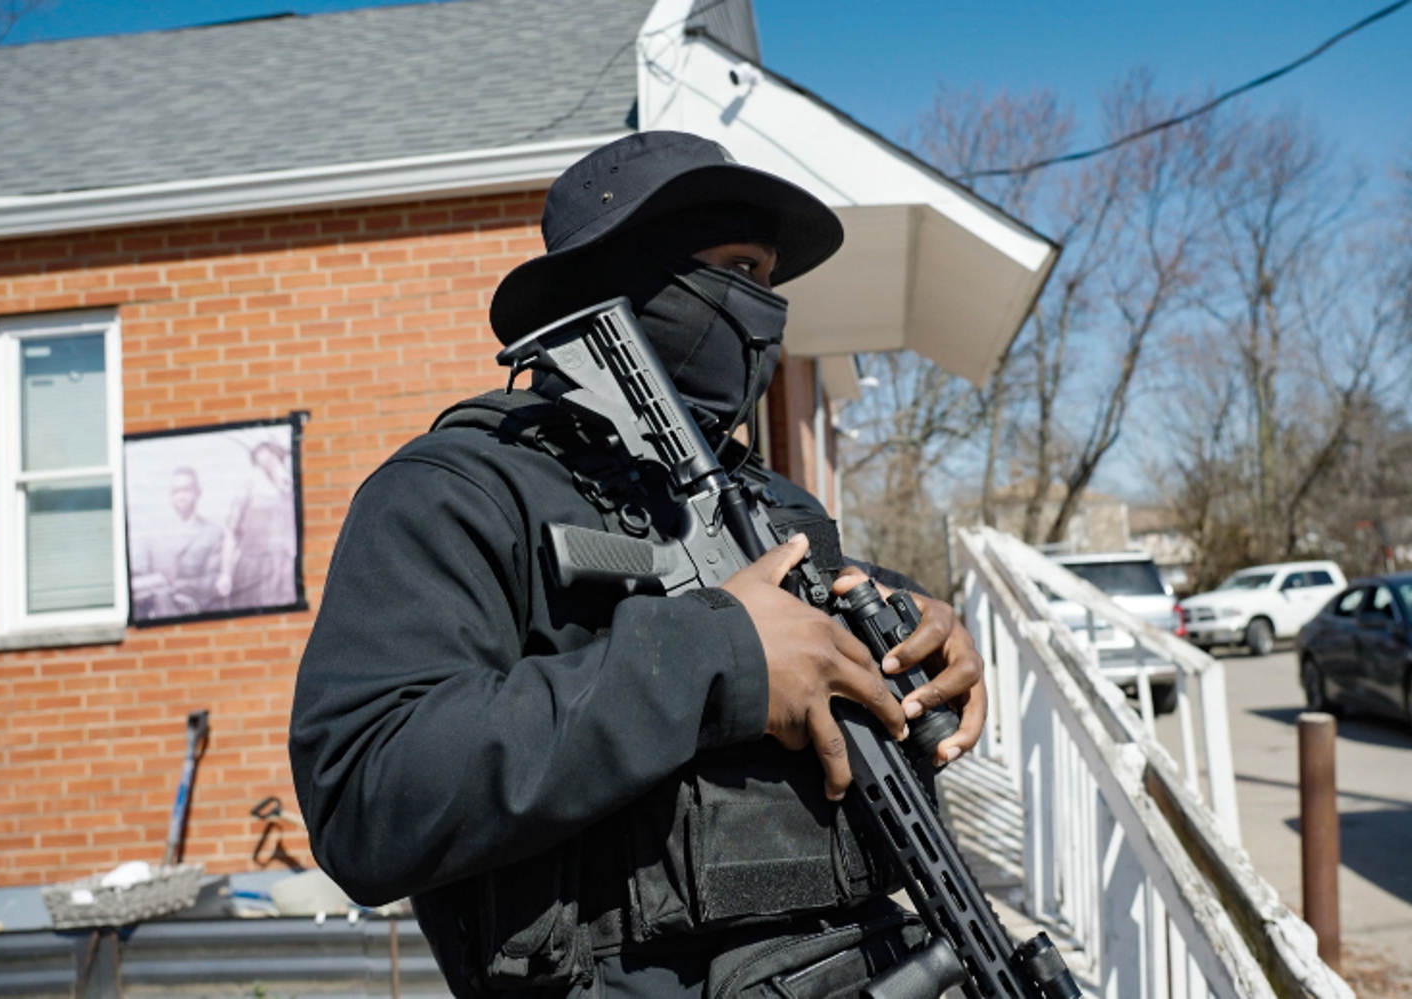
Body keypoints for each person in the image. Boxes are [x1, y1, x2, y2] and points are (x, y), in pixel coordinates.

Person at [289, 131, 988, 998]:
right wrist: (715, 661)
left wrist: (925, 632)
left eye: (769, 278)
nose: (763, 312)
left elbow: (850, 626)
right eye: (738, 268)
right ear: (627, 276)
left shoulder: (772, 506)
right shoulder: (457, 492)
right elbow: (366, 796)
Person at [129, 466, 224, 620]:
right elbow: (138, 578)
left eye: (186, 490)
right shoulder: (152, 533)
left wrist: (178, 590)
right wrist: (165, 593)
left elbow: (213, 581)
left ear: (198, 493)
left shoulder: (213, 532)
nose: (181, 496)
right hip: (158, 618)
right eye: (176, 491)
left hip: (198, 615)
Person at [216, 439, 297, 610]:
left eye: (271, 460)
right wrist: (226, 573)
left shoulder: (289, 489)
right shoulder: (247, 490)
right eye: (261, 462)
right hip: (252, 567)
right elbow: (231, 534)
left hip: (282, 568)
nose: (267, 466)